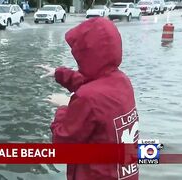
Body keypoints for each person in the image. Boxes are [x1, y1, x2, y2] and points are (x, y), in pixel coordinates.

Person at [37, 18, 139, 180]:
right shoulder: (122, 81)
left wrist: (64, 108)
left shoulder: (88, 98)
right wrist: (60, 74)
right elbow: (94, 83)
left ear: (86, 54)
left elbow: (62, 145)